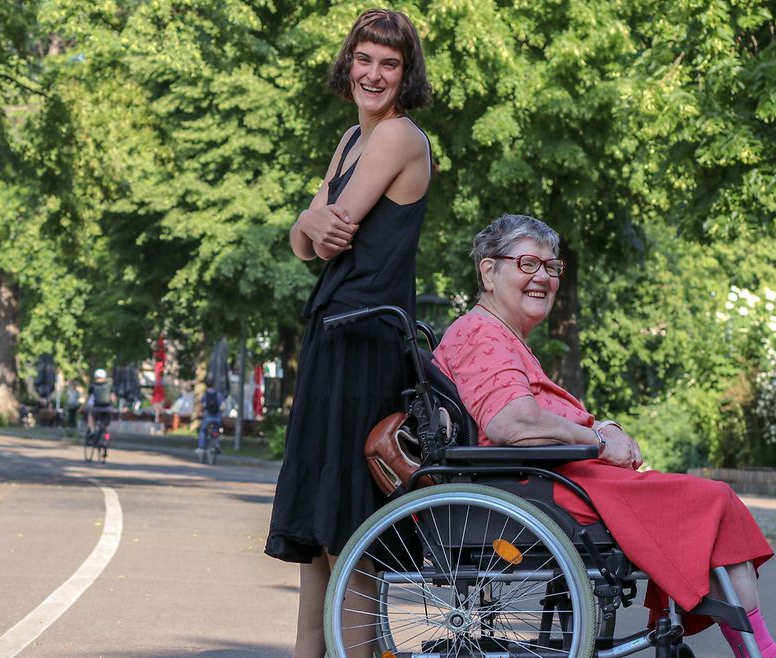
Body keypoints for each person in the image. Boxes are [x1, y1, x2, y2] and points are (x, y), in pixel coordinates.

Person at [433, 213, 776, 658]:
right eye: (528, 264)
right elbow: (512, 423)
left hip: (551, 480)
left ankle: (758, 648)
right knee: (711, 500)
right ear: (489, 271)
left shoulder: (501, 337)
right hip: (539, 487)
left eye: (551, 267)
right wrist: (600, 442)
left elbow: (530, 416)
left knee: (709, 503)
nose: (543, 277)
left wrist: (599, 427)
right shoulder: (479, 333)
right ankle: (760, 650)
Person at [263, 8, 433, 657]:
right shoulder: (350, 140)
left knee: (348, 538)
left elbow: (331, 232)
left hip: (365, 344)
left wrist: (312, 219)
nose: (374, 73)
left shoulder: (397, 137)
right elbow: (304, 242)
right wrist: (311, 219)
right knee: (316, 543)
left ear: (405, 72)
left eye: (389, 63)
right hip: (333, 334)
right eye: (365, 58)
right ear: (349, 62)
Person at [195, 385, 225, 459]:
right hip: (217, 418)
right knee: (215, 431)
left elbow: (201, 406)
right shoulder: (219, 395)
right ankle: (216, 444)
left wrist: (199, 413)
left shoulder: (205, 395)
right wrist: (220, 413)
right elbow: (223, 407)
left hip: (207, 418)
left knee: (203, 431)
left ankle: (201, 447)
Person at [86, 368, 116, 434]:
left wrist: (84, 407)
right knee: (106, 423)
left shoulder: (92, 386)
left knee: (90, 415)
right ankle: (106, 436)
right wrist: (113, 405)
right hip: (108, 408)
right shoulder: (109, 385)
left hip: (96, 408)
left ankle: (92, 430)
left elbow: (88, 398)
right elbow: (113, 398)